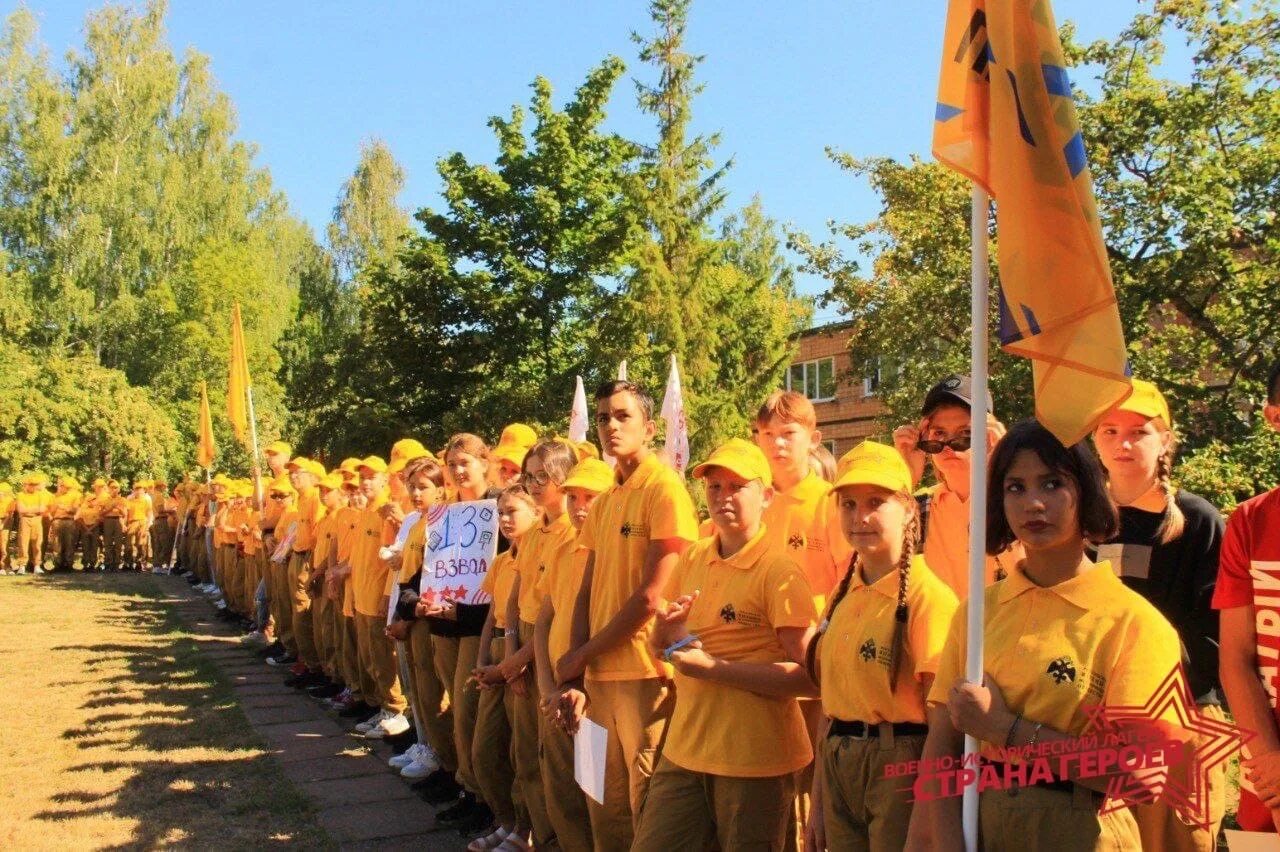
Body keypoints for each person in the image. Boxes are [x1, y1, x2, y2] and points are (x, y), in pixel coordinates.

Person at [912, 419, 1181, 851]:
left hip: (1083, 831)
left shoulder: (1131, 621)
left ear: (1086, 491)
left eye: (1052, 483)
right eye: (1014, 487)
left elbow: (1142, 774)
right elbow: (941, 751)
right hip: (979, 827)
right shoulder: (977, 613)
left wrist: (1005, 729)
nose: (1033, 503)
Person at [631, 439, 818, 851]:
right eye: (714, 487)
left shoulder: (779, 571)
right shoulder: (695, 557)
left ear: (767, 496)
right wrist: (664, 634)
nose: (723, 497)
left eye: (737, 486)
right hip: (685, 750)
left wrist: (714, 669)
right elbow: (660, 646)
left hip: (755, 761)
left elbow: (811, 679)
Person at [559, 380, 699, 849]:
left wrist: (580, 658)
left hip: (644, 676)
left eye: (622, 416)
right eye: (603, 418)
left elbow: (649, 598)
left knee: (648, 809)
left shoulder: (665, 491)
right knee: (602, 803)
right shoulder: (608, 497)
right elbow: (587, 588)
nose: (611, 426)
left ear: (649, 426)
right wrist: (576, 674)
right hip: (597, 678)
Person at [1092, 379, 1226, 849]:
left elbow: (1213, 638)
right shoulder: (1081, 521)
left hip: (1179, 721)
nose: (1122, 443)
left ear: (1165, 438)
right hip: (1093, 725)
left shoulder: (1197, 520)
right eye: (1108, 431)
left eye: (1139, 431)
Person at [805, 441, 958, 851]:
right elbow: (829, 706)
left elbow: (943, 726)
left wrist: (925, 823)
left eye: (876, 502)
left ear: (909, 508)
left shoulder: (929, 598)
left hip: (900, 766)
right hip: (839, 763)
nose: (860, 517)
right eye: (848, 505)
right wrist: (818, 804)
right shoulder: (843, 592)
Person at [752, 390, 851, 848]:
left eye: (788, 434)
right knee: (771, 790)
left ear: (814, 438)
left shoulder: (830, 503)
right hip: (757, 667)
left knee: (812, 787)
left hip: (811, 668)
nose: (777, 444)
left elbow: (848, 586)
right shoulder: (754, 501)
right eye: (767, 434)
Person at [533, 457, 614, 852]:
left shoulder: (616, 552)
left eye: (591, 497)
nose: (580, 507)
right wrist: (548, 688)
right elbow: (544, 619)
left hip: (592, 695)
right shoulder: (565, 547)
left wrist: (575, 686)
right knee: (561, 791)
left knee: (596, 793)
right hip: (555, 691)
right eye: (573, 497)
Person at [501, 440, 578, 850]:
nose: (531, 484)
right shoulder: (534, 533)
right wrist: (513, 649)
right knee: (526, 753)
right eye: (527, 475)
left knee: (557, 762)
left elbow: (553, 612)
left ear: (564, 478)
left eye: (541, 476)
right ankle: (534, 833)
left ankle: (559, 839)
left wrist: (520, 659)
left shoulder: (572, 532)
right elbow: (517, 597)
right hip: (525, 644)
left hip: (548, 649)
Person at [1214, 360, 1280, 835]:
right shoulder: (1250, 521)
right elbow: (1236, 658)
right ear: (1274, 416)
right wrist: (1272, 761)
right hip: (1268, 780)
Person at [893, 374, 1016, 598]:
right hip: (936, 632)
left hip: (994, 630)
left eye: (965, 433)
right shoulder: (919, 507)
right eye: (939, 433)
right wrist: (907, 475)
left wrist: (1004, 466)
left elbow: (1028, 574)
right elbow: (881, 566)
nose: (949, 445)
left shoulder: (1013, 504)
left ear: (990, 434)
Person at [469, 484, 541, 852]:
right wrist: (483, 660)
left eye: (513, 511)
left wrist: (512, 664)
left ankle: (525, 829)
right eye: (501, 512)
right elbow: (494, 613)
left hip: (523, 650)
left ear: (536, 511)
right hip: (499, 649)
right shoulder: (502, 561)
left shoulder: (539, 554)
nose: (504, 519)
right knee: (484, 750)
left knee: (521, 750)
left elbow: (527, 614)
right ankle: (507, 820)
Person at [14, 473, 50, 574]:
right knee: (23, 543)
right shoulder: (20, 495)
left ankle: (37, 565)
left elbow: (42, 509)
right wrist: (35, 509)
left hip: (37, 519)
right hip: (25, 520)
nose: (34, 487)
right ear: (27, 485)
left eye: (35, 485)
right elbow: (21, 510)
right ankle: (22, 565)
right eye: (31, 484)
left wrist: (28, 509)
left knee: (37, 543)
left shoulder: (40, 495)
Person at [47, 477, 81, 572]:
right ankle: (57, 564)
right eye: (62, 486)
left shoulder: (75, 496)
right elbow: (51, 510)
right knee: (56, 543)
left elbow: (74, 510)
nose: (63, 488)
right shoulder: (55, 497)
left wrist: (65, 508)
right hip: (57, 521)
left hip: (69, 521)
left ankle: (68, 565)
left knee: (69, 543)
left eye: (65, 487)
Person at [0, 483, 14, 574]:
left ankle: (5, 566)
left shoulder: (10, 501)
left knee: (4, 545)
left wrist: (2, 524)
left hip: (5, 521)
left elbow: (9, 515)